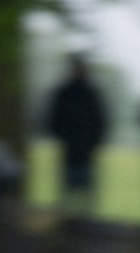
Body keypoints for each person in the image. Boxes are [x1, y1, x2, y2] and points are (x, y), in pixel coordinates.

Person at [43, 54, 109, 215]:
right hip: (70, 150)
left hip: (86, 150)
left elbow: (101, 121)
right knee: (69, 195)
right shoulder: (66, 93)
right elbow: (52, 120)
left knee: (86, 197)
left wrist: (94, 141)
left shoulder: (90, 94)